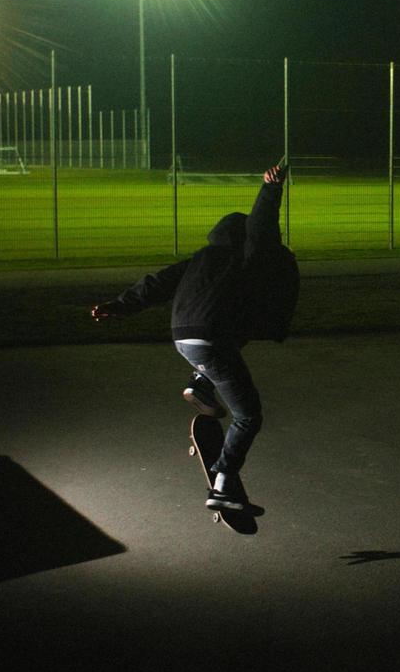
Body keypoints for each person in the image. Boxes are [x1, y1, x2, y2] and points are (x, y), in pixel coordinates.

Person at [91, 160, 294, 511]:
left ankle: (201, 383)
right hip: (211, 339)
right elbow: (262, 228)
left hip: (182, 337)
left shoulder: (201, 258)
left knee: (237, 328)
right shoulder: (246, 256)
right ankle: (223, 484)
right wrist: (270, 189)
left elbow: (157, 283)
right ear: (242, 237)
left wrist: (119, 306)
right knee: (248, 416)